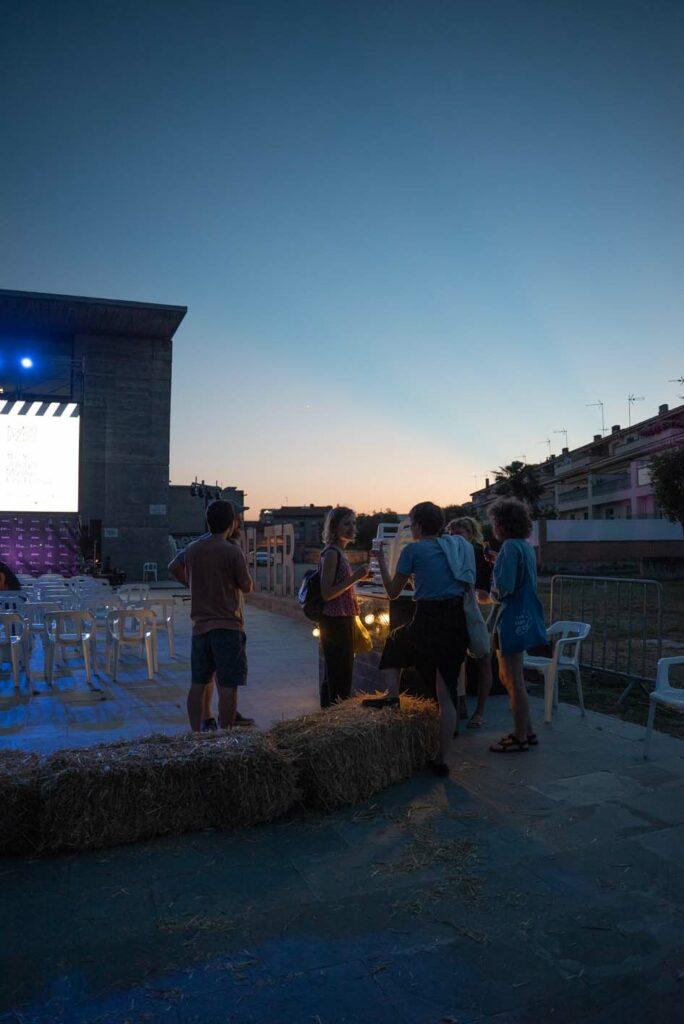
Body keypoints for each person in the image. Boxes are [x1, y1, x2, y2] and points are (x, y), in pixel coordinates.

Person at [376, 502, 473, 777]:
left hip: (428, 620)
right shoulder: (455, 547)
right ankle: (441, 760)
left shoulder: (413, 550)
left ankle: (392, 696)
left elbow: (393, 592)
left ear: (417, 525)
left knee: (394, 641)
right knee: (446, 694)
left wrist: (381, 560)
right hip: (455, 621)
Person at [169, 500, 253, 732]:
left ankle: (196, 734)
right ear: (232, 523)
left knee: (198, 684)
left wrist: (191, 583)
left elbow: (173, 566)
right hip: (228, 627)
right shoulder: (232, 551)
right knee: (227, 687)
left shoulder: (193, 549)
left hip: (200, 628)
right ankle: (225, 737)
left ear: (208, 522)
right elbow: (246, 586)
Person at [487, 497, 547, 753]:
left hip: (511, 618)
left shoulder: (510, 547)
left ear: (501, 523)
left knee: (512, 679)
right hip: (523, 616)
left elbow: (504, 587)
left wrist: (490, 592)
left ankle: (520, 736)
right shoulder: (524, 546)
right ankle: (528, 731)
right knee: (510, 677)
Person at [318, 507, 371, 707]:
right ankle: (335, 715)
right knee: (340, 677)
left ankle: (328, 716)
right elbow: (327, 593)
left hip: (340, 620)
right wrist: (355, 577)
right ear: (334, 527)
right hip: (336, 621)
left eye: (354, 523)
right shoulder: (332, 553)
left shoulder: (338, 552)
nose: (352, 528)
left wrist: (359, 578)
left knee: (335, 676)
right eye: (347, 523)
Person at [445, 516, 493, 728]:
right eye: (451, 533)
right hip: (458, 612)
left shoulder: (478, 554)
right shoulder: (449, 553)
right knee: (456, 662)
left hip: (472, 612)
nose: (454, 537)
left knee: (483, 659)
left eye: (459, 532)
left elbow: (483, 592)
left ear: (471, 534)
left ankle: (478, 711)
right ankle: (461, 705)